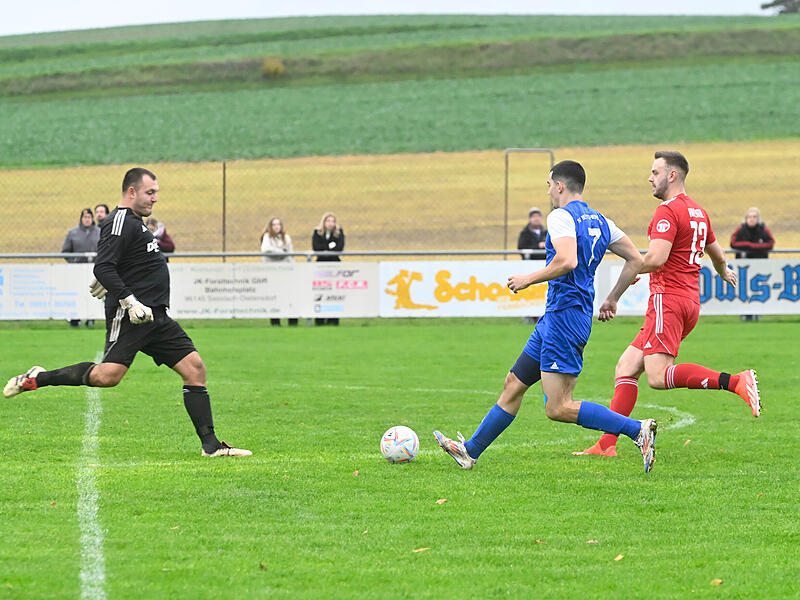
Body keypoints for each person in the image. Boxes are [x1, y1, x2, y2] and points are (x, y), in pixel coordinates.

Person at [4, 168, 251, 458]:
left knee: (195, 369)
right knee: (107, 377)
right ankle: (39, 377)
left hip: (156, 316)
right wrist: (129, 301)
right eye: (150, 193)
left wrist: (121, 282)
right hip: (133, 315)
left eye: (156, 193)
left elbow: (115, 263)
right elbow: (103, 266)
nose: (155, 199)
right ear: (131, 192)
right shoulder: (120, 220)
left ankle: (211, 446)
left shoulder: (135, 222)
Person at [433, 160, 660, 473]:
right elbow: (636, 260)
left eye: (549, 185)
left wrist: (529, 278)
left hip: (565, 319)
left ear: (560, 186)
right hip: (559, 317)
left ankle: (637, 430)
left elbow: (567, 260)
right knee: (513, 383)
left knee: (558, 407)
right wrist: (612, 299)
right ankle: (469, 451)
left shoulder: (560, 217)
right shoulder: (602, 221)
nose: (549, 192)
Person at [575, 151, 760, 458]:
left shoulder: (668, 211)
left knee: (659, 377)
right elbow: (715, 250)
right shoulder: (698, 211)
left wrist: (615, 293)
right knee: (626, 367)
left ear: (672, 175)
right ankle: (606, 445)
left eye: (655, 172)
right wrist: (723, 270)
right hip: (687, 301)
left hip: (668, 300)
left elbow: (656, 259)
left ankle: (736, 381)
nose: (650, 177)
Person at [730, 207, 774, 322]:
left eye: (754, 217)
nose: (752, 219)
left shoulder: (763, 230)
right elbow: (733, 243)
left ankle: (757, 313)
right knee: (744, 290)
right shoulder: (741, 230)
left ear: (758, 219)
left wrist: (752, 247)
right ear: (746, 219)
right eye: (749, 217)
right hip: (743, 268)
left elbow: (770, 243)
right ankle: (744, 313)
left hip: (759, 268)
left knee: (757, 291)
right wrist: (750, 245)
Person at [61, 208, 100, 327]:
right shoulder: (73, 233)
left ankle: (91, 318)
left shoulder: (99, 232)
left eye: (89, 217)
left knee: (92, 294)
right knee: (76, 294)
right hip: (76, 271)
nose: (87, 220)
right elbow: (65, 251)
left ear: (92, 219)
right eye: (85, 217)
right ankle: (75, 318)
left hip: (93, 270)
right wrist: (74, 261)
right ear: (81, 218)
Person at [260, 217, 297, 326]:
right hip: (272, 272)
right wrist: (281, 252)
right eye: (274, 225)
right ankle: (275, 322)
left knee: (290, 296)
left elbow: (290, 254)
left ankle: (293, 322)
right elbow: (267, 250)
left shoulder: (286, 238)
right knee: (274, 297)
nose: (277, 227)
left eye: (278, 224)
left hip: (286, 272)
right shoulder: (267, 237)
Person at [312, 212, 345, 326]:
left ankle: (333, 319)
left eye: (333, 221)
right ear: (324, 222)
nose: (331, 223)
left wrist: (327, 248)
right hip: (321, 265)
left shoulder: (339, 233)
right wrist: (329, 246)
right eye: (328, 221)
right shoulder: (317, 233)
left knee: (334, 293)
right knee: (320, 292)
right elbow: (317, 248)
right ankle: (319, 319)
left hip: (334, 265)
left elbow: (339, 248)